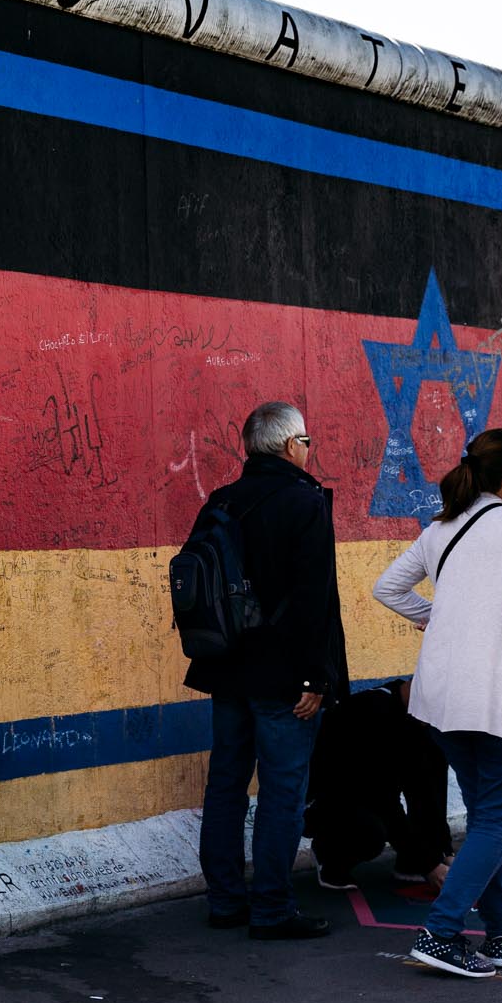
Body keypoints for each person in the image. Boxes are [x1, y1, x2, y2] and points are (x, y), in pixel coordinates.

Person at [373, 428, 502, 979]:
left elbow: (387, 588)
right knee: (497, 822)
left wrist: (440, 619)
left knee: (485, 820)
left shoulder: (440, 529)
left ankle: (500, 936)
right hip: (500, 699)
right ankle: (440, 932)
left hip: (442, 702)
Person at [186, 400, 349, 939]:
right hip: (285, 678)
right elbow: (315, 599)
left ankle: (225, 901)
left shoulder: (220, 501)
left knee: (226, 784)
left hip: (226, 668)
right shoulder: (304, 502)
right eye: (307, 441)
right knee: (282, 790)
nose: (308, 450)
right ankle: (272, 908)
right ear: (289, 446)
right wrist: (317, 678)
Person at [306, 679, 453, 891]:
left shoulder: (413, 715)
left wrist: (443, 852)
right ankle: (328, 856)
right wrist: (430, 866)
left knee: (430, 760)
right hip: (324, 802)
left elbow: (430, 790)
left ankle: (413, 862)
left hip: (365, 797)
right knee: (370, 833)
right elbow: (384, 803)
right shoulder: (371, 713)